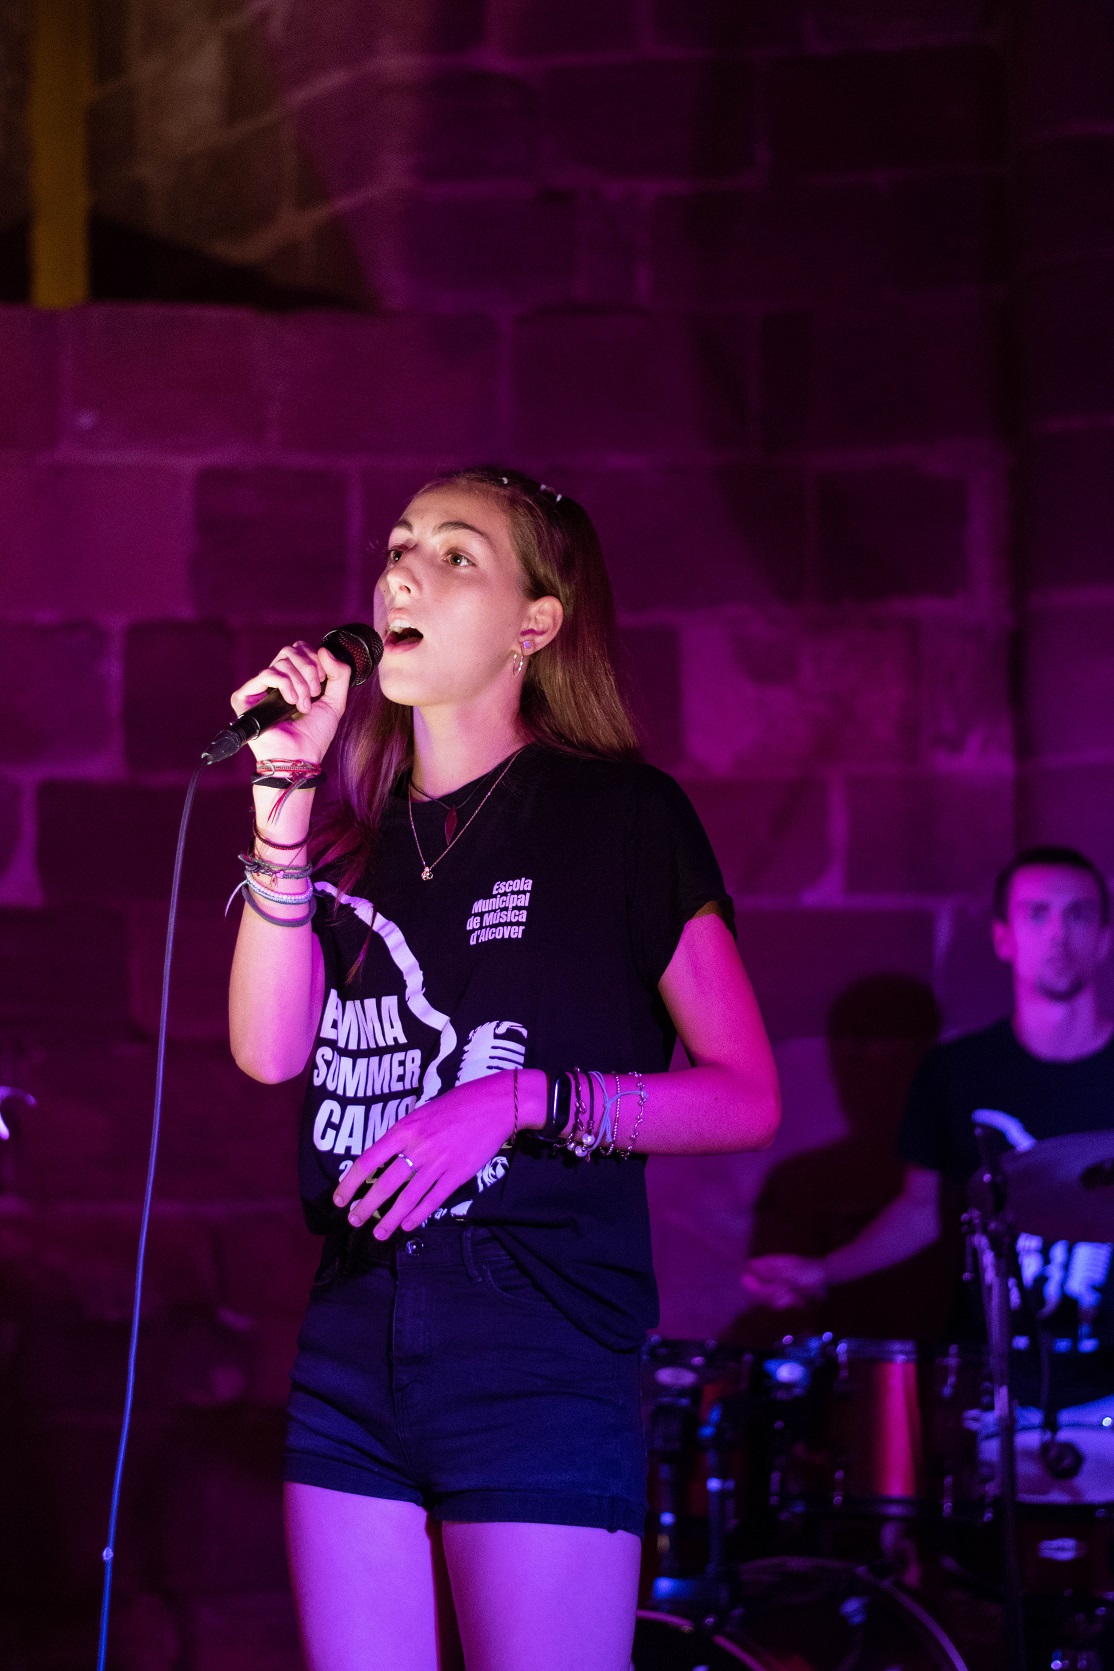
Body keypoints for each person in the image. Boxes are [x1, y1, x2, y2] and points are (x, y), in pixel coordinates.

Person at [227, 465, 780, 1671]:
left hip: (538, 1334)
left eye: (454, 554)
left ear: (535, 623)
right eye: (398, 546)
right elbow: (268, 1053)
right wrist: (282, 795)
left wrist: (518, 1102)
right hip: (354, 1329)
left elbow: (745, 1093)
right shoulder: (348, 833)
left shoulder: (621, 817)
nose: (402, 572)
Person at [741, 846, 1114, 1412]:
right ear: (1003, 938)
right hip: (992, 1387)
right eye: (1037, 914)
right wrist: (821, 1272)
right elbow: (920, 1212)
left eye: (1079, 914)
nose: (1059, 934)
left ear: (1105, 937)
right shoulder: (957, 1072)